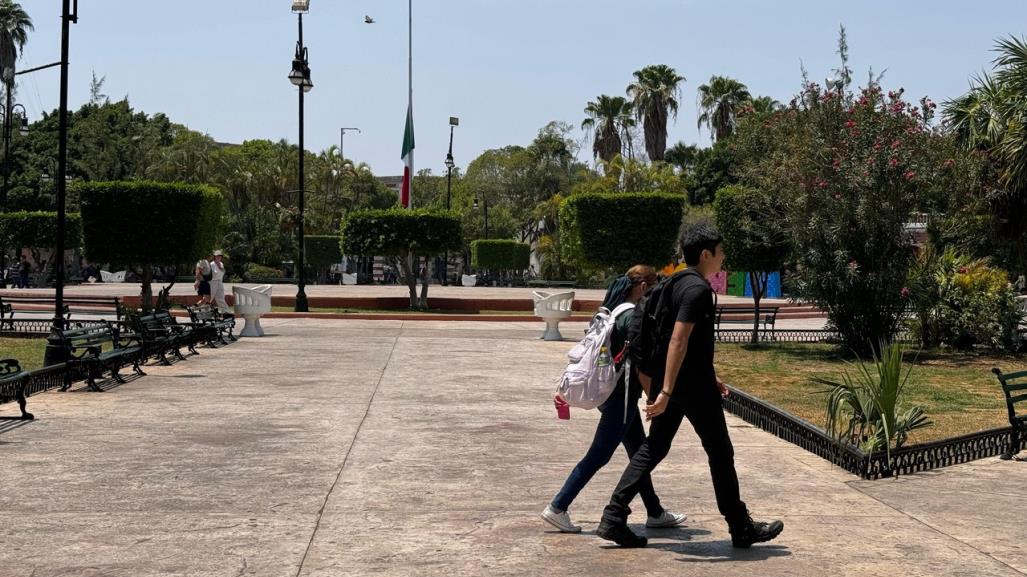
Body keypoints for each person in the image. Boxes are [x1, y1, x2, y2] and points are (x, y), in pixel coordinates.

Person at [596, 223, 783, 549]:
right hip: (688, 388)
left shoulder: (674, 283)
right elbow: (678, 340)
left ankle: (613, 516)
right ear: (706, 253)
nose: (723, 258)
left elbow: (681, 343)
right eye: (720, 252)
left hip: (682, 382)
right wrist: (667, 392)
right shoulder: (695, 290)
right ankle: (740, 527)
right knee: (720, 452)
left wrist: (688, 382)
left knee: (654, 449)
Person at [542, 265, 688, 534]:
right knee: (599, 455)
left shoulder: (610, 311)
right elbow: (640, 364)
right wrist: (655, 396)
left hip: (610, 395)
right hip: (621, 398)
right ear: (643, 287)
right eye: (654, 286)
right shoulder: (632, 316)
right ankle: (558, 506)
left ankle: (655, 512)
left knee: (639, 452)